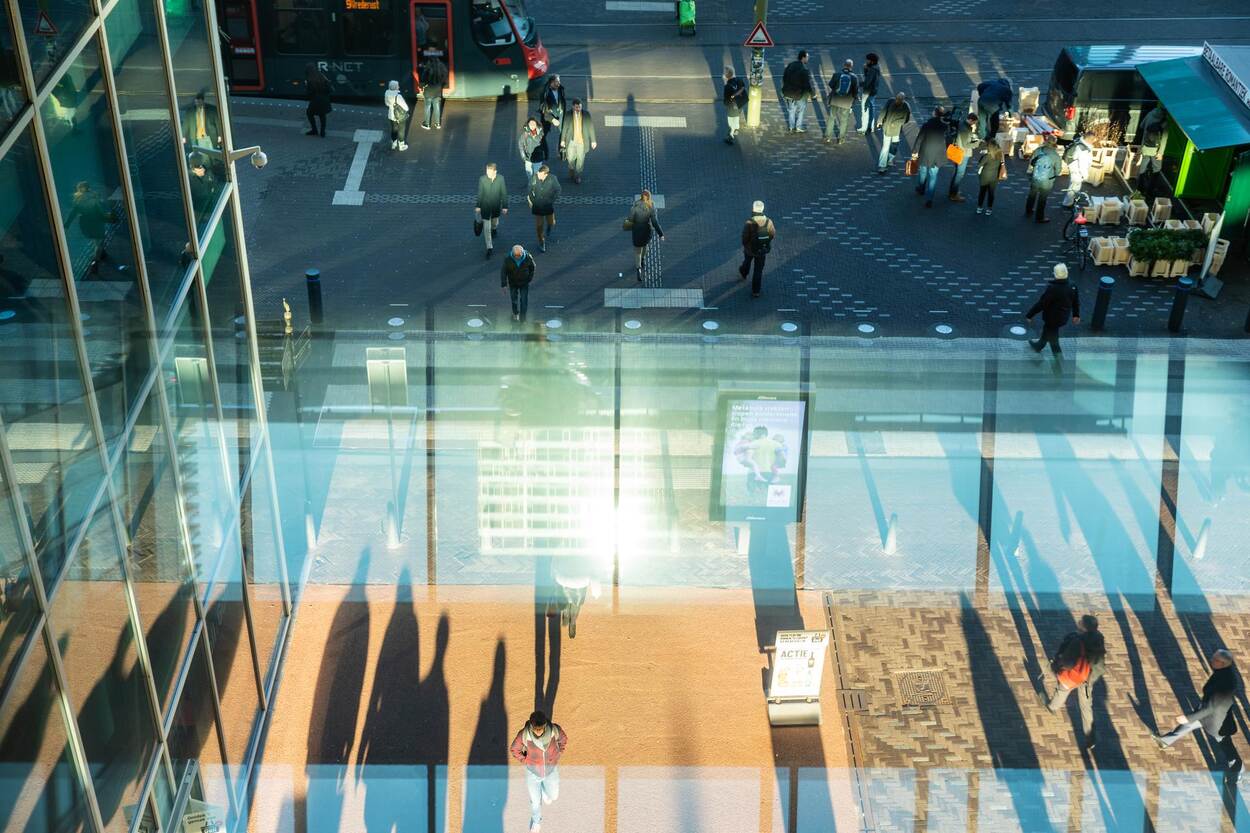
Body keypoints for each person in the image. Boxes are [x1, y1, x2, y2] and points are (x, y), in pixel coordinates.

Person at [1153, 650, 1242, 777]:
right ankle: (1165, 741)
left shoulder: (1227, 682)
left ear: (1222, 663)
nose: (1211, 660)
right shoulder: (1222, 672)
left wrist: (1187, 717)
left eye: (1214, 659)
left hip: (1217, 720)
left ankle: (1237, 769)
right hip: (1205, 713)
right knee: (1187, 726)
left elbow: (1211, 708)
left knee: (1225, 744)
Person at [1040, 615, 1106, 751]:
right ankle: (1090, 737)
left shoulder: (1077, 641)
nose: (1078, 622)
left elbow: (1068, 662)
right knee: (1086, 706)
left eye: (1081, 621)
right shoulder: (1099, 638)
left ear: (1083, 627)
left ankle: (1052, 707)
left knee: (1063, 690)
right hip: (1088, 678)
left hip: (1074, 676)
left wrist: (1057, 666)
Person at [510, 710, 568, 833]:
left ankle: (545, 790)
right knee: (535, 802)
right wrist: (525, 760)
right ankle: (536, 822)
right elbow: (514, 749)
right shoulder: (524, 735)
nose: (538, 732)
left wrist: (559, 753)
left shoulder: (554, 731)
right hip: (533, 774)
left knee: (554, 796)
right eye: (535, 729)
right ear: (531, 725)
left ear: (545, 725)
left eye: (540, 729)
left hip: (550, 771)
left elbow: (563, 739)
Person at [1025, 263, 1079, 356]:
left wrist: (1030, 315)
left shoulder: (1053, 288)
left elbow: (1042, 303)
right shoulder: (1072, 285)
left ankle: (1058, 360)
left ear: (1056, 275)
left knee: (1053, 339)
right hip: (1063, 317)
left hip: (1052, 318)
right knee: (1047, 331)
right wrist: (1076, 315)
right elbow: (1076, 301)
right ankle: (1039, 345)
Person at [911, 106, 949, 208]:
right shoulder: (944, 126)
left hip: (925, 153)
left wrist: (915, 151)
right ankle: (929, 199)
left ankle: (921, 188)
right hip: (938, 155)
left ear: (934, 113)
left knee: (923, 171)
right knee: (933, 176)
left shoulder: (927, 125)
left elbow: (920, 139)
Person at [738, 200, 776, 298]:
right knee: (758, 270)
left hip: (750, 250)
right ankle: (756, 291)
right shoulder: (769, 221)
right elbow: (772, 234)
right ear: (763, 209)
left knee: (747, 262)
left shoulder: (749, 222)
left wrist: (746, 245)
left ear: (753, 209)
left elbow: (745, 237)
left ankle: (744, 273)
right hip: (762, 250)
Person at [627, 190, 664, 282]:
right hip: (647, 231)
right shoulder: (651, 205)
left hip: (637, 232)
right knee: (645, 246)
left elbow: (630, 218)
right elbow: (655, 222)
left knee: (637, 252)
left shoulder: (635, 204)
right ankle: (643, 260)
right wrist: (661, 234)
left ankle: (638, 268)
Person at [1025, 133, 1063, 223]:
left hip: (1035, 177)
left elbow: (1031, 162)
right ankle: (1039, 217)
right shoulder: (1056, 155)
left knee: (1032, 195)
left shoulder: (1038, 150)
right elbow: (1058, 172)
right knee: (1042, 198)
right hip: (1047, 181)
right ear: (1054, 144)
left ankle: (1028, 210)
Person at [475, 163, 508, 259]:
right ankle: (489, 247)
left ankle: (494, 229)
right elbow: (480, 193)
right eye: (487, 172)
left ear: (495, 172)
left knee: (495, 223)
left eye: (489, 172)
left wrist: (505, 206)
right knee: (486, 229)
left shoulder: (500, 179)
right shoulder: (482, 179)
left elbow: (504, 193)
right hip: (485, 208)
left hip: (496, 207)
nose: (487, 174)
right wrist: (478, 206)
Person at [559, 99, 596, 184]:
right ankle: (571, 169)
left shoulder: (586, 114)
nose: (578, 109)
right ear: (573, 107)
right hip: (571, 141)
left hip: (582, 142)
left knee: (580, 160)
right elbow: (564, 127)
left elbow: (591, 127)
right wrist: (562, 140)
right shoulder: (568, 114)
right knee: (570, 158)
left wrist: (593, 141)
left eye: (579, 107)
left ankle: (578, 175)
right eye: (576, 107)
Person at [780, 50, 817, 134]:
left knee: (791, 110)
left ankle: (791, 127)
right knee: (801, 110)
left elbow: (784, 77)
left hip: (788, 93)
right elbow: (807, 85)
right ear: (803, 57)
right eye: (807, 57)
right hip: (799, 94)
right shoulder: (804, 69)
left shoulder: (790, 65)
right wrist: (812, 95)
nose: (808, 59)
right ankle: (798, 127)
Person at [824, 58, 859, 146]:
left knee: (832, 118)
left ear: (844, 65)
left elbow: (831, 85)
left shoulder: (837, 74)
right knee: (844, 121)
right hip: (846, 102)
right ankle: (841, 139)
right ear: (851, 67)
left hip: (835, 99)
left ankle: (828, 137)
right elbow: (855, 92)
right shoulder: (854, 77)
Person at [527, 164, 561, 252]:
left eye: (541, 174)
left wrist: (552, 200)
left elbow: (558, 189)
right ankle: (541, 241)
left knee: (552, 222)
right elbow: (529, 190)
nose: (539, 176)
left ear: (546, 174)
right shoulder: (534, 178)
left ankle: (549, 226)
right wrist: (533, 200)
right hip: (538, 206)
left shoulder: (552, 178)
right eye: (538, 173)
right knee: (539, 226)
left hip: (548, 206)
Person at [947, 112, 979, 202]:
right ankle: (954, 194)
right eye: (974, 122)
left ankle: (952, 191)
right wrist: (977, 143)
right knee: (959, 174)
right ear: (971, 120)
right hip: (963, 153)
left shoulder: (962, 124)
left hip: (958, 151)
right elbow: (966, 144)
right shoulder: (965, 129)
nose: (974, 124)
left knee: (956, 172)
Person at [500, 244, 536, 322]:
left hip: (524, 282)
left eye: (519, 255)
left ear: (522, 253)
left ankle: (523, 317)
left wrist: (529, 278)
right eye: (515, 256)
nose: (517, 257)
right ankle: (515, 313)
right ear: (513, 253)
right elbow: (504, 272)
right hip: (513, 282)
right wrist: (504, 285)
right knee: (514, 300)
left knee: (524, 300)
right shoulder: (508, 259)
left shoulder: (528, 257)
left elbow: (532, 268)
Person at [877, 92, 911, 174]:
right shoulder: (895, 103)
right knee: (888, 146)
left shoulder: (902, 105)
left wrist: (894, 122)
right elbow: (884, 111)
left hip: (893, 128)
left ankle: (887, 161)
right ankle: (883, 165)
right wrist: (880, 121)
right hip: (891, 129)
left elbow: (905, 119)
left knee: (891, 146)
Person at [1062, 133, 1093, 207]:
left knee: (1073, 186)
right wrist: (1085, 176)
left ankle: (1071, 201)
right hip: (1077, 171)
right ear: (1090, 139)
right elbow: (1083, 164)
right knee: (1073, 188)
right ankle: (1067, 204)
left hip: (1073, 168)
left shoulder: (1080, 143)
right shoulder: (1083, 150)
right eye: (1093, 140)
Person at [976, 139, 1005, 216]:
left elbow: (979, 165)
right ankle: (989, 209)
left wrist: (982, 155)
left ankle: (979, 208)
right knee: (991, 193)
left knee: (982, 192)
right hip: (994, 177)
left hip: (984, 176)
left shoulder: (987, 156)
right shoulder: (1000, 155)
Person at [187, 154, 218, 224]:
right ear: (192, 167)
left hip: (210, 208)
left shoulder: (208, 173)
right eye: (199, 167)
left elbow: (215, 184)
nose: (202, 169)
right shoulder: (188, 179)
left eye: (202, 166)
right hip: (198, 211)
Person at [419, 55, 448, 130]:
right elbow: (445, 78)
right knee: (437, 106)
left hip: (429, 90)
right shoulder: (441, 68)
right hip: (438, 90)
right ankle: (437, 124)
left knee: (427, 106)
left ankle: (427, 124)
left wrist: (421, 86)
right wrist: (442, 85)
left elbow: (423, 80)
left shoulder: (427, 69)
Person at [304, 62, 332, 137]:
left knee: (309, 113)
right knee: (322, 115)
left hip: (315, 100)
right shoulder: (321, 75)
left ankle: (314, 129)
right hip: (324, 99)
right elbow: (329, 88)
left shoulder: (309, 79)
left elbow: (309, 93)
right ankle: (322, 132)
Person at [1139, 105, 1168, 176]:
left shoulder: (1150, 114)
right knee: (1157, 168)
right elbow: (1164, 139)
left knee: (1143, 166)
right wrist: (1160, 153)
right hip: (1156, 150)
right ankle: (1151, 186)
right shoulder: (1165, 122)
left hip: (1145, 145)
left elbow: (1141, 126)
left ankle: (1139, 185)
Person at [722, 67, 748, 145]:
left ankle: (731, 135)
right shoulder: (739, 79)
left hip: (732, 106)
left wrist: (726, 104)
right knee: (736, 116)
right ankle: (736, 128)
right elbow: (743, 88)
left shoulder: (727, 86)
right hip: (740, 103)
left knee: (731, 121)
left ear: (727, 75)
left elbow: (727, 99)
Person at [519, 117, 547, 183]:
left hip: (538, 157)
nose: (532, 126)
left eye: (534, 124)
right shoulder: (525, 133)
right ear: (528, 124)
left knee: (537, 173)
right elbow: (521, 144)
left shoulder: (540, 133)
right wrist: (523, 156)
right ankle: (531, 183)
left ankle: (535, 185)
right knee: (529, 172)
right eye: (530, 124)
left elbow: (543, 143)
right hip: (528, 157)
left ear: (536, 124)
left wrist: (546, 154)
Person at [538, 75, 566, 141]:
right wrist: (552, 119)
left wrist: (562, 109)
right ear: (552, 82)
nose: (559, 83)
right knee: (543, 134)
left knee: (563, 132)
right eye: (557, 81)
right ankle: (541, 149)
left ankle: (562, 148)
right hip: (549, 115)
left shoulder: (560, 89)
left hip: (559, 113)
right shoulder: (545, 91)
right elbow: (543, 106)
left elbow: (562, 100)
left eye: (559, 81)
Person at [384, 81, 409, 151]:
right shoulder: (398, 96)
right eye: (398, 85)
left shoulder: (386, 93)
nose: (399, 87)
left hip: (391, 115)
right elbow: (406, 108)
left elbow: (386, 103)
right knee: (401, 130)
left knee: (394, 129)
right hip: (399, 116)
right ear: (395, 87)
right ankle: (401, 145)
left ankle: (394, 144)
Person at [859, 53, 881, 132]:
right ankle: (870, 126)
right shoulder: (877, 67)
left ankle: (864, 127)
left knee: (864, 109)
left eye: (867, 60)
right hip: (874, 91)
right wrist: (866, 68)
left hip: (868, 91)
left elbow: (867, 81)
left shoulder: (872, 70)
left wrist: (857, 84)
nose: (866, 61)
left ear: (871, 61)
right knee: (871, 108)